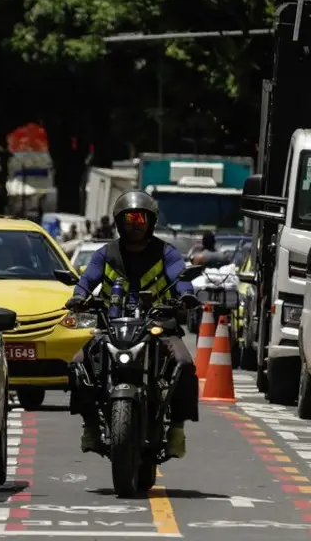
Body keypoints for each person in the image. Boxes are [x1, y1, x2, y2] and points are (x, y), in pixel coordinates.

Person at [65, 190, 198, 458]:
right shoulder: (105, 253)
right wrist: (79, 297)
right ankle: (90, 426)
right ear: (118, 222)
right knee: (78, 363)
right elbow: (87, 279)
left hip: (159, 326)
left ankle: (177, 430)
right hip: (111, 327)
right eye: (130, 219)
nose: (135, 225)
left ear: (151, 221)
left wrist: (185, 295)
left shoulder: (167, 253)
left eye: (141, 219)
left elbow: (180, 277)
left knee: (184, 364)